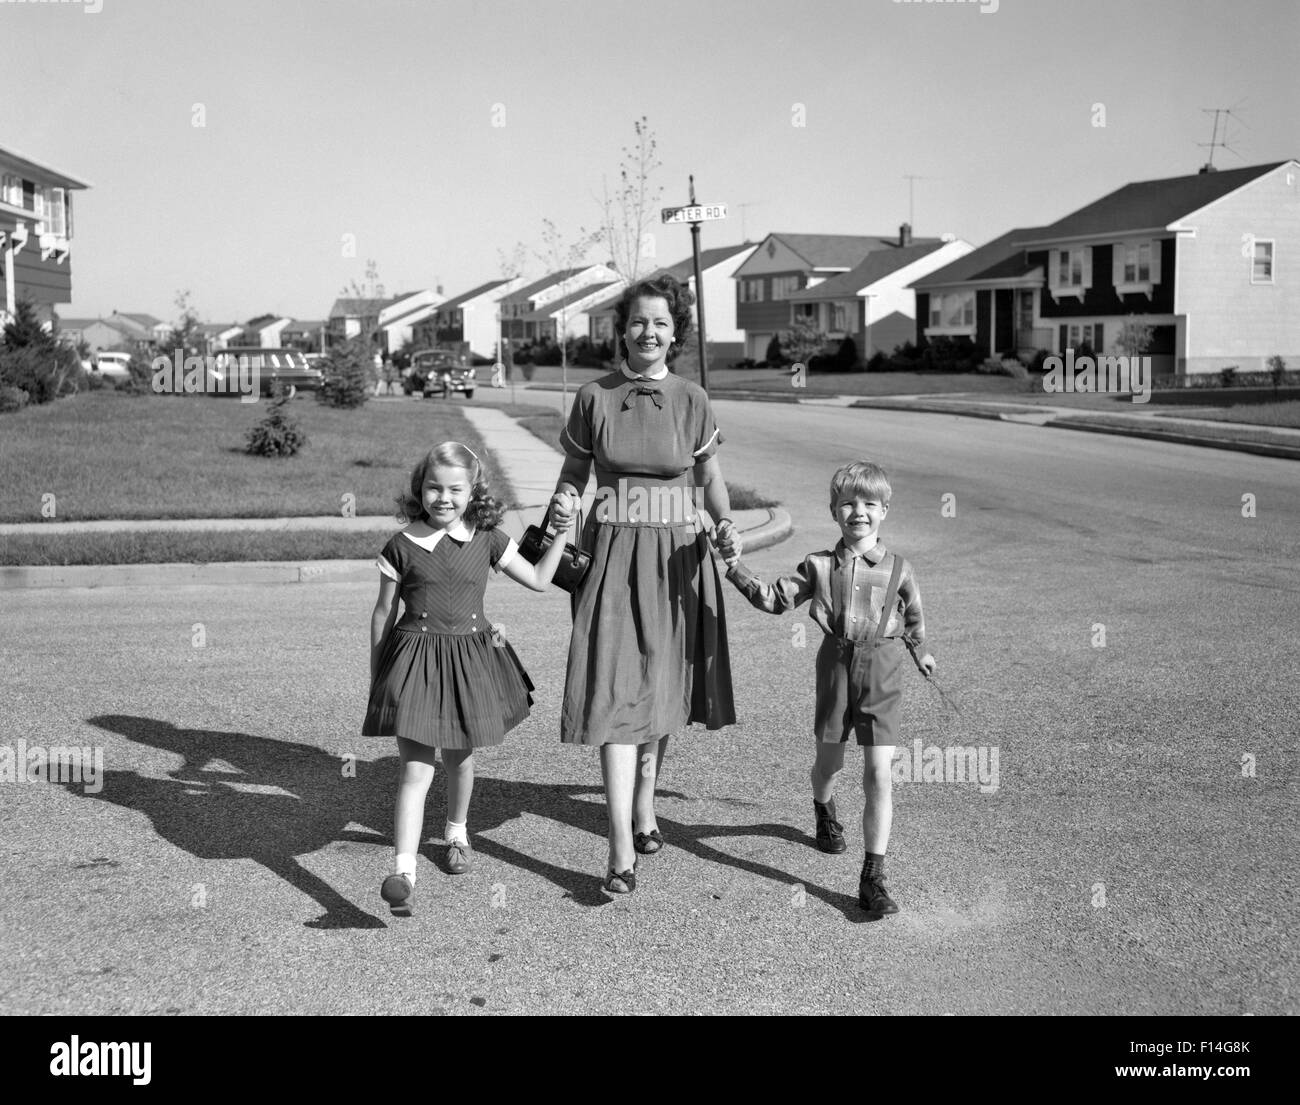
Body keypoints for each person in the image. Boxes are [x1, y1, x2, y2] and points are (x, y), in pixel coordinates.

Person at [548, 274, 738, 895]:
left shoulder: (693, 398)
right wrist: (561, 506)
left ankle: (646, 806)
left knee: (660, 684)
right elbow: (575, 471)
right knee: (613, 690)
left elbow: (710, 478)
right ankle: (619, 852)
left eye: (660, 322)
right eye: (637, 321)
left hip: (677, 557)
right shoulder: (594, 396)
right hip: (611, 555)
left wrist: (726, 522)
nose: (648, 332)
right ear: (621, 329)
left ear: (674, 332)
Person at [362, 441, 574, 915]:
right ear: (420, 487)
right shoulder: (401, 546)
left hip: (468, 662)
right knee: (415, 769)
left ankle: (457, 831)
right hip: (413, 663)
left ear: (473, 490)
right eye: (434, 487)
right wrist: (379, 676)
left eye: (455, 489)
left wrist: (561, 532)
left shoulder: (488, 538)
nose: (443, 497)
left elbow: (541, 579)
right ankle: (404, 872)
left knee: (459, 759)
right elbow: (382, 614)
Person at [721, 461, 936, 919]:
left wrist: (923, 653)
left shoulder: (900, 568)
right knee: (830, 762)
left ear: (884, 511)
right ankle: (822, 805)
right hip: (836, 666)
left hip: (883, 671)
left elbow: (913, 620)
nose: (859, 511)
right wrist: (735, 568)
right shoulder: (818, 566)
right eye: (848, 503)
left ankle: (873, 877)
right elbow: (774, 598)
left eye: (869, 504)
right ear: (834, 511)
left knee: (880, 773)